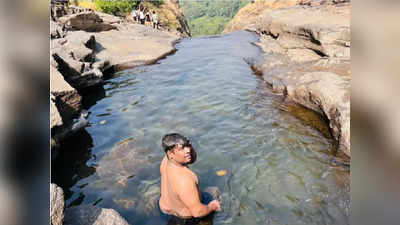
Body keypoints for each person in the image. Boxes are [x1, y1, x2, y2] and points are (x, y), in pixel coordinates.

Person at [159, 133, 221, 224]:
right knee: (216, 193)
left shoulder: (166, 160)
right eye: (182, 149)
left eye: (187, 146)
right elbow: (198, 212)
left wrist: (187, 145)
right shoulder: (184, 179)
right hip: (183, 220)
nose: (187, 150)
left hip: (164, 211)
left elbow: (192, 159)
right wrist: (212, 206)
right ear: (170, 153)